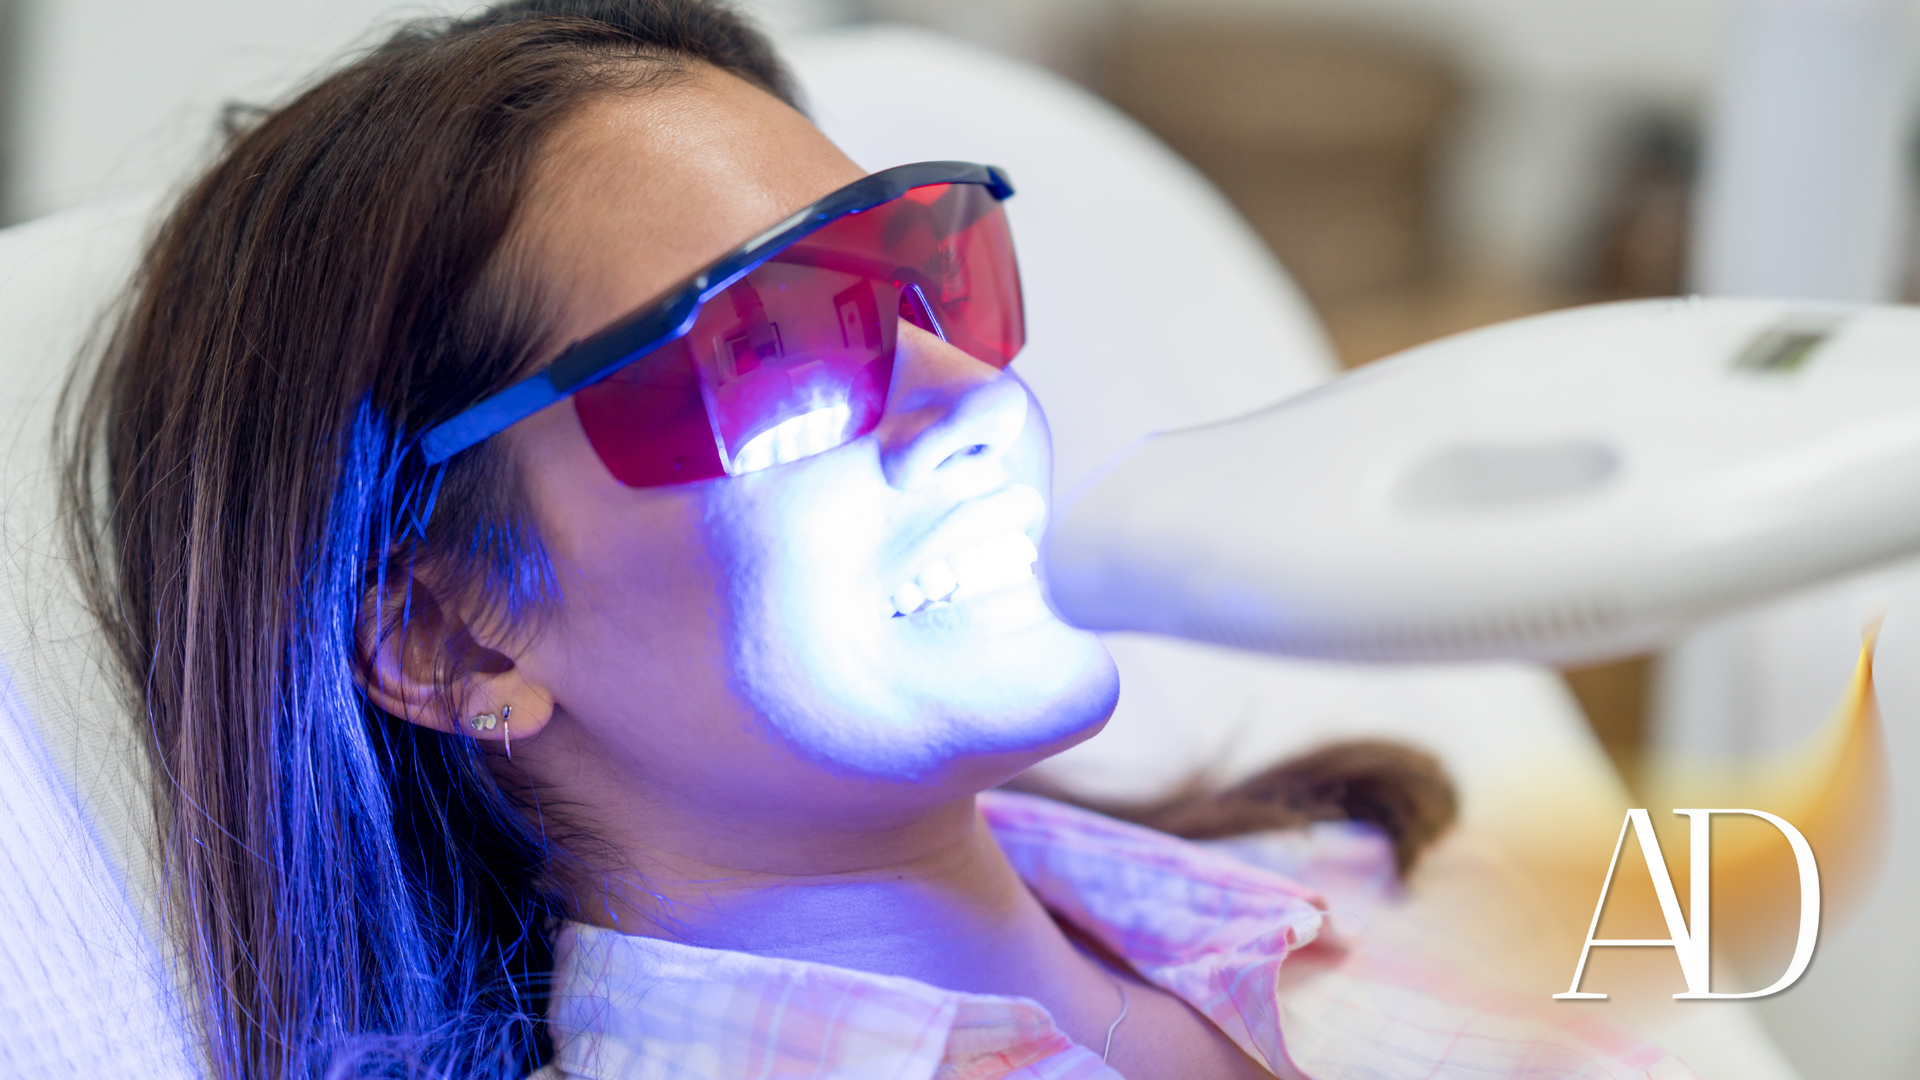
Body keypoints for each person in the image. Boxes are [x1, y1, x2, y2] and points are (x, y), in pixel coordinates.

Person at [62, 3, 1687, 1078]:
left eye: (934, 278)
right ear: (457, 634)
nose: (972, 394)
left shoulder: (1311, 879)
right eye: (769, 353)